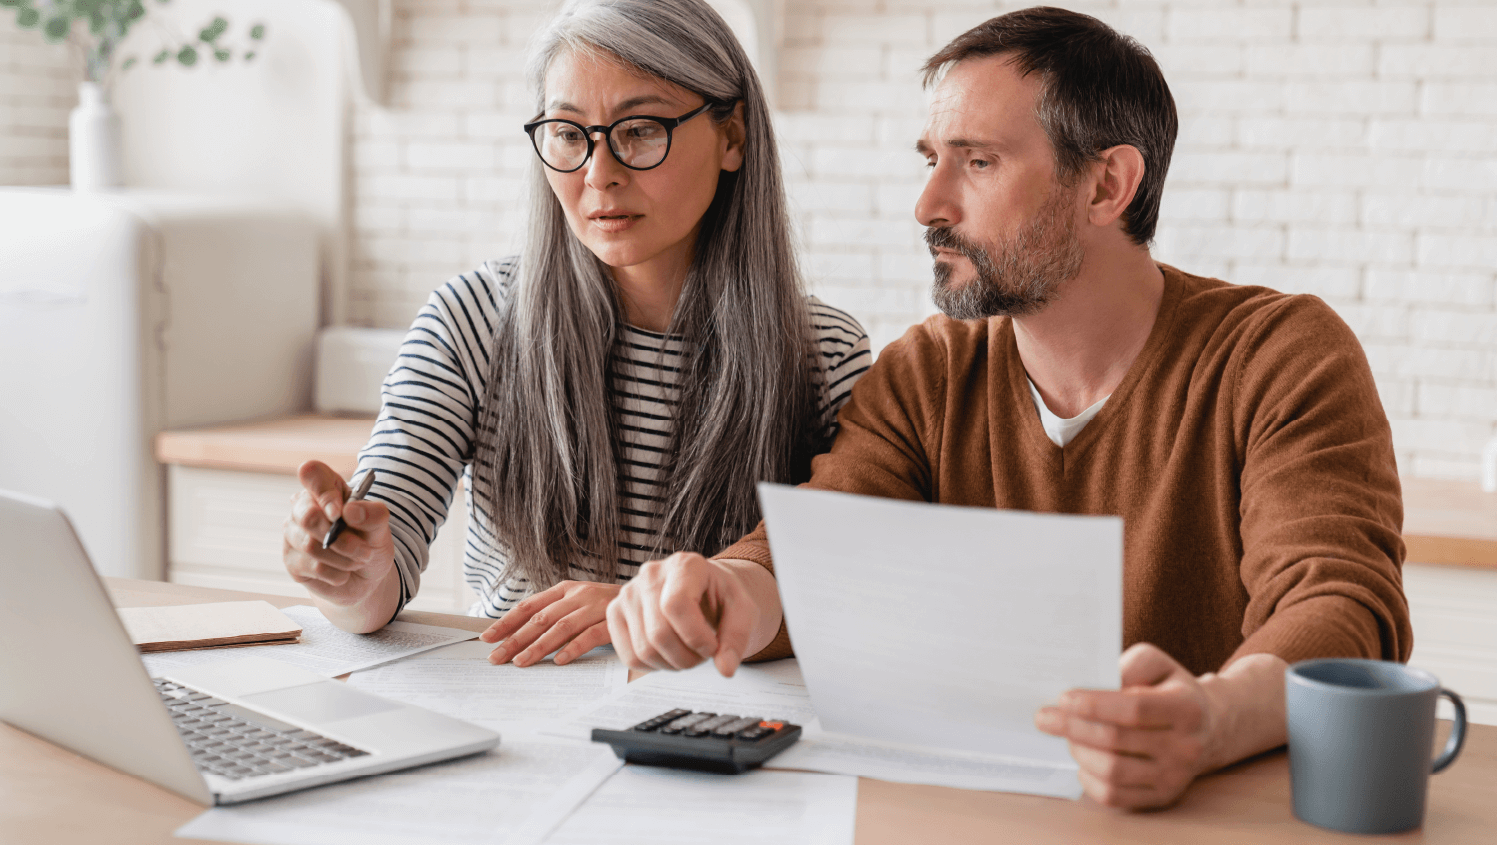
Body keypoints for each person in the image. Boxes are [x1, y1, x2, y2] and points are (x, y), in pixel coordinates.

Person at [605, 6, 1412, 810]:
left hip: (1211, 817)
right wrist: (720, 592)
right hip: (980, 812)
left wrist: (1209, 718)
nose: (928, 204)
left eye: (978, 162)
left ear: (1107, 185)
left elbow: (1341, 609)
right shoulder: (927, 371)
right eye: (931, 160)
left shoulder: (1278, 355)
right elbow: (816, 555)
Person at [279, 0, 870, 669]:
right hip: (520, 711)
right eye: (567, 134)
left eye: (641, 130)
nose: (599, 174)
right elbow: (378, 576)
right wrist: (347, 571)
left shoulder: (824, 352)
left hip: (723, 724)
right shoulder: (472, 318)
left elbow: (842, 590)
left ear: (733, 137)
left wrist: (637, 616)